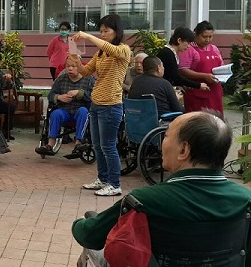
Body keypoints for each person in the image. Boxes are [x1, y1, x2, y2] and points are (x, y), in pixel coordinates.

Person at [72, 111, 251, 266]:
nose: (161, 143)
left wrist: (78, 224)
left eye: (165, 136)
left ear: (183, 150)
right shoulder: (245, 200)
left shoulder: (143, 201)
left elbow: (89, 235)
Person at [69, 14, 131, 196]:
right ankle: (102, 179)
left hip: (111, 104)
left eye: (106, 31)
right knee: (97, 145)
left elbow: (110, 48)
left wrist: (88, 36)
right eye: (101, 31)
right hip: (96, 104)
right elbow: (86, 71)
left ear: (116, 31)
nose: (102, 34)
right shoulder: (101, 53)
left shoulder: (123, 50)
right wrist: (77, 61)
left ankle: (115, 184)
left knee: (108, 146)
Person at [35, 56, 95, 156]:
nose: (70, 68)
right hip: (65, 111)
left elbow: (94, 96)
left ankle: (78, 143)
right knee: (55, 114)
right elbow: (51, 95)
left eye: (74, 66)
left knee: (83, 111)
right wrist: (59, 97)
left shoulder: (89, 79)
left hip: (80, 111)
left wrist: (80, 93)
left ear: (80, 66)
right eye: (68, 66)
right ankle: (50, 144)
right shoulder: (61, 79)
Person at [178, 20, 224, 114]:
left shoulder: (214, 48)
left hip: (215, 90)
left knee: (216, 118)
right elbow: (183, 70)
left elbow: (221, 65)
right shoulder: (189, 49)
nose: (207, 40)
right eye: (204, 37)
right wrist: (204, 76)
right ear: (196, 35)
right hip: (197, 90)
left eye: (210, 37)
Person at [157, 27, 210, 92]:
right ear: (179, 40)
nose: (188, 46)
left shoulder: (171, 52)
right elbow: (175, 77)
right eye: (188, 43)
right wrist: (198, 85)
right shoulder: (168, 53)